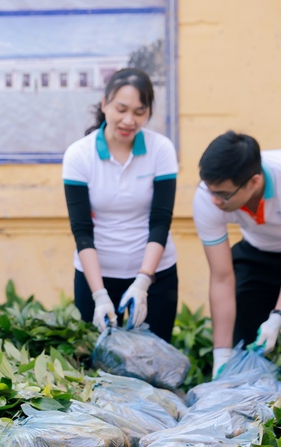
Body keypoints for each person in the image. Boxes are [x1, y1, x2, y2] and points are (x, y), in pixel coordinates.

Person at [62, 68, 178, 342]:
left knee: (155, 365)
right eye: (121, 109)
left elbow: (160, 220)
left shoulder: (161, 149)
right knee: (95, 370)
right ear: (105, 104)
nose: (129, 120)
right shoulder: (79, 155)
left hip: (155, 276)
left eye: (139, 112)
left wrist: (143, 281)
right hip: (96, 278)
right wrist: (99, 294)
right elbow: (82, 229)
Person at [193, 131, 281, 376]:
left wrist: (277, 317)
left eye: (223, 194)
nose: (214, 201)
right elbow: (222, 277)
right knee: (244, 338)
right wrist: (221, 353)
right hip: (256, 252)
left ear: (253, 182)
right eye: (211, 190)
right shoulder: (207, 195)